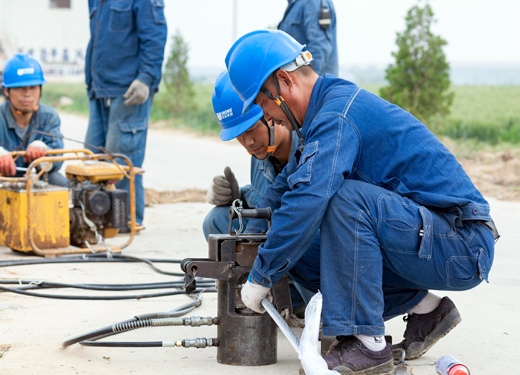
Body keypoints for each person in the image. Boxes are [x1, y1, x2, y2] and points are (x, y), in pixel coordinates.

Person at [227, 30, 497, 374]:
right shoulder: (320, 118)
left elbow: (309, 198)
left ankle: (369, 346)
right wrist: (253, 246)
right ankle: (429, 309)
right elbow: (282, 192)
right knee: (305, 254)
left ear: (284, 81)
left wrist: (263, 275)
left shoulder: (336, 116)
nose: (270, 119)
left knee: (343, 201)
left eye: (264, 106)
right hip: (426, 237)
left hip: (462, 244)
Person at [0, 54, 68, 247]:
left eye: (33, 88)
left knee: (62, 184)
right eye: (20, 88)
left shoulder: (49, 117)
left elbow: (58, 157)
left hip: (35, 183)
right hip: (1, 187)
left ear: (40, 90)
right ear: (7, 91)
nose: (27, 94)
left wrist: (44, 153)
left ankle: (54, 228)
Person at [84, 0, 167, 231]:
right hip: (100, 88)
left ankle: (126, 221)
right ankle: (97, 218)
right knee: (92, 160)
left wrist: (146, 78)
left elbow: (155, 35)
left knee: (122, 160)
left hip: (129, 90)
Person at [203, 71, 297, 240]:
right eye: (238, 135)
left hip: (307, 237)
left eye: (251, 130)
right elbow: (264, 201)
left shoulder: (309, 145)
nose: (247, 142)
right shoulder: (260, 154)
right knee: (216, 220)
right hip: (276, 233)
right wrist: (237, 197)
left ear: (270, 111)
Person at [278, 0, 338, 76]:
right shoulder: (295, 4)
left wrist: (306, 81)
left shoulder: (313, 2)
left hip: (310, 83)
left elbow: (319, 47)